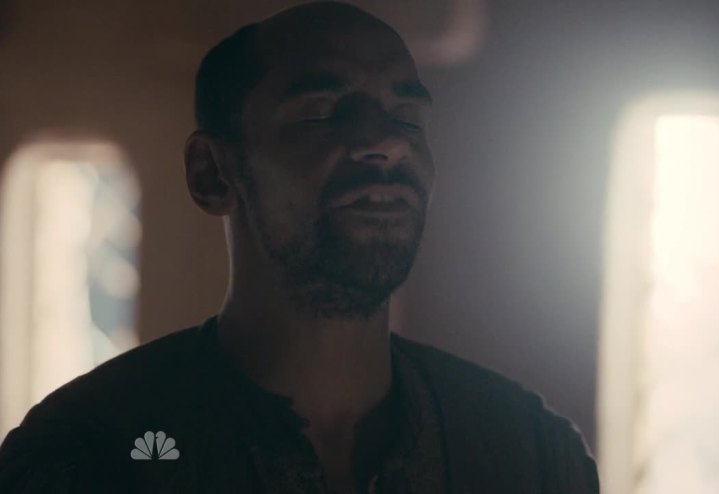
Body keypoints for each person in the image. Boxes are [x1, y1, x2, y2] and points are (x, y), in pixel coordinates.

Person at [0, 2, 599, 492]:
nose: (385, 142)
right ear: (213, 173)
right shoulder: (95, 452)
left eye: (406, 117)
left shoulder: (527, 455)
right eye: (322, 112)